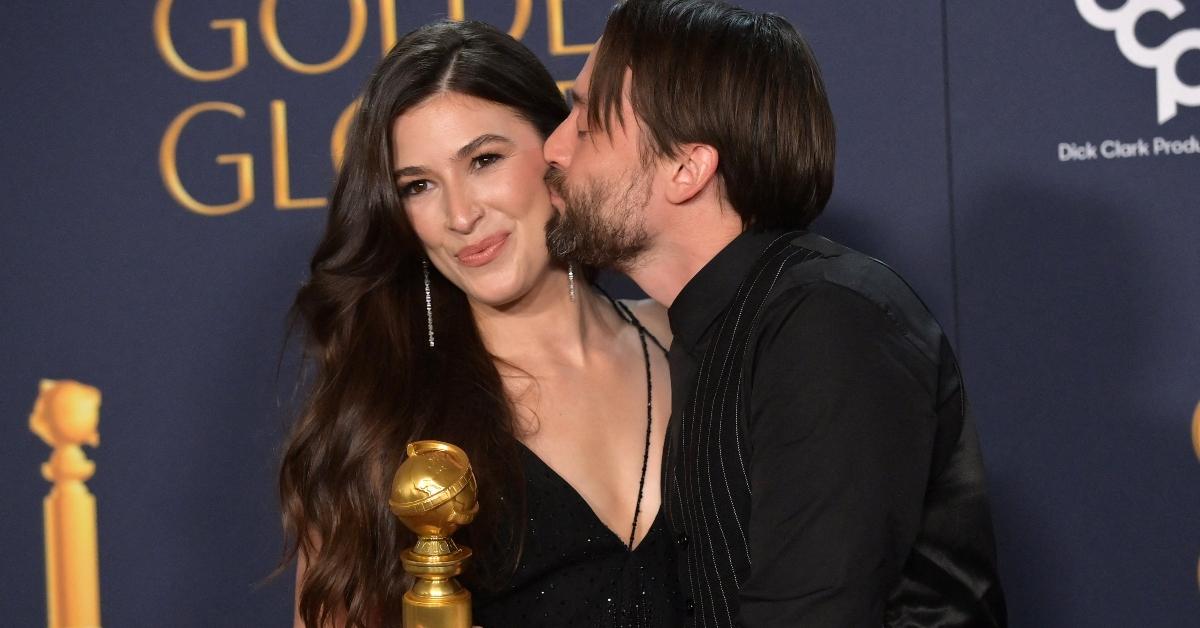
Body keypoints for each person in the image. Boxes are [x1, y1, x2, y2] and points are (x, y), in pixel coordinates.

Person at [543, 1, 1007, 626]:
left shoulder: (824, 319)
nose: (554, 147)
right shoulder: (714, 331)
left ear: (687, 169)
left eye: (586, 121)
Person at [278, 21, 681, 628]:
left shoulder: (688, 340)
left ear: (557, 150)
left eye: (484, 160)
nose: (460, 214)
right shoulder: (384, 418)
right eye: (418, 186)